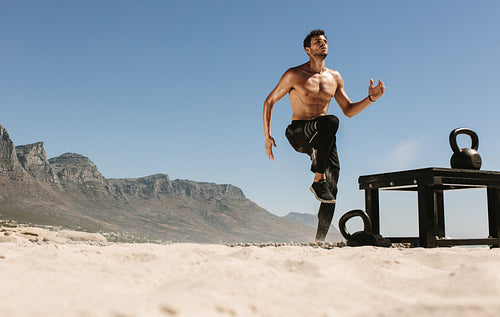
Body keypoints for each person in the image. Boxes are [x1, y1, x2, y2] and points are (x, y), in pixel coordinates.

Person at [262, 29, 385, 241]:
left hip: (323, 138)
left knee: (332, 188)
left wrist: (370, 99)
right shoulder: (294, 74)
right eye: (318, 42)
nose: (323, 44)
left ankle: (319, 239)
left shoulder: (334, 77)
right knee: (330, 121)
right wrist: (267, 136)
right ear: (307, 49)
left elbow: (348, 109)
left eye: (325, 41)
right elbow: (270, 101)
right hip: (300, 133)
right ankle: (318, 177)